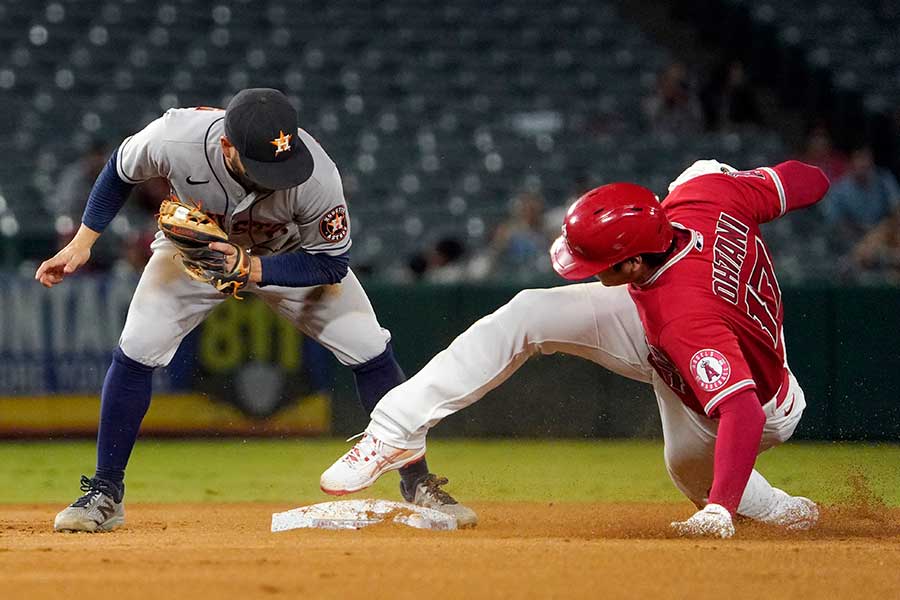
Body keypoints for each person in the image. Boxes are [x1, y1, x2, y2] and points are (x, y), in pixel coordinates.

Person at [36, 88, 475, 532]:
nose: (280, 174)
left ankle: (418, 482)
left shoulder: (316, 174)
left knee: (369, 348)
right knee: (136, 347)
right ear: (228, 146)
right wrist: (82, 242)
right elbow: (119, 169)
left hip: (290, 256)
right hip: (196, 255)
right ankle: (106, 491)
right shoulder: (175, 137)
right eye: (265, 165)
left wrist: (253, 267)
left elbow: (331, 261)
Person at [319, 159, 829, 538]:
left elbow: (742, 411)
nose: (587, 272)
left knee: (692, 475)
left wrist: (718, 509)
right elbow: (812, 179)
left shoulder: (685, 317)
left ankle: (770, 507)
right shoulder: (703, 192)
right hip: (680, 320)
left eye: (597, 265)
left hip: (744, 404)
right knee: (527, 312)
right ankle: (394, 431)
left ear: (630, 264)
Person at [824, 146, 900, 241]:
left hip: (884, 236)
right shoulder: (839, 189)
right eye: (859, 158)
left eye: (866, 159)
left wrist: (882, 230)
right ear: (851, 162)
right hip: (852, 241)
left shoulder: (884, 180)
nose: (863, 164)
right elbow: (835, 222)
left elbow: (896, 209)